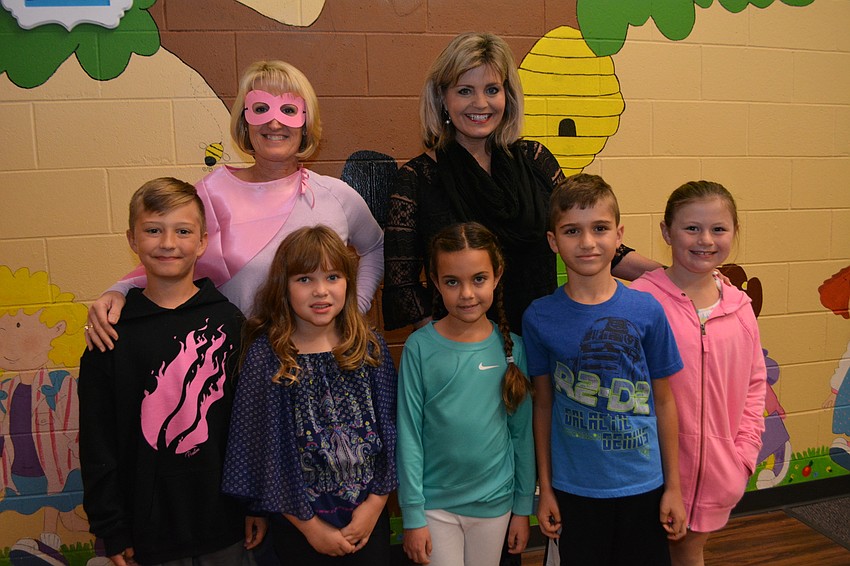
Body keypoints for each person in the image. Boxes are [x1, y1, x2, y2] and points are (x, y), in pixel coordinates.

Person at [85, 60, 384, 351]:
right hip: (234, 365)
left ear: (306, 122)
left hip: (320, 363)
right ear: (244, 120)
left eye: (289, 110)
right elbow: (167, 251)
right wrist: (118, 290)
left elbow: (375, 247)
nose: (274, 121)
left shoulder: (336, 196)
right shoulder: (210, 194)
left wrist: (354, 311)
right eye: (261, 108)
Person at [383, 31, 659, 334]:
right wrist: (448, 346)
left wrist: (673, 274)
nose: (480, 103)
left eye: (492, 89)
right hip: (467, 357)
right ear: (442, 98)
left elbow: (585, 239)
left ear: (507, 96)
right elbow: (402, 284)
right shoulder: (415, 181)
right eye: (464, 91)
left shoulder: (536, 160)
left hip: (543, 342)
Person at [78, 178, 263, 565]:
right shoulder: (110, 334)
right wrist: (111, 527)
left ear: (202, 242)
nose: (167, 243)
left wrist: (255, 504)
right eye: (153, 230)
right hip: (147, 534)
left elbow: (248, 428)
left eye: (182, 231)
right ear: (132, 239)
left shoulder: (229, 322)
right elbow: (98, 440)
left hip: (224, 526)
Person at [522, 174, 687, 566]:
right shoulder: (539, 316)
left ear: (618, 236)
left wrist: (673, 488)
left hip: (644, 485)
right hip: (574, 490)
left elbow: (664, 402)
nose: (587, 242)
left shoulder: (647, 310)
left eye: (599, 228)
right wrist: (545, 488)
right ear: (553, 241)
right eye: (571, 231)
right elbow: (542, 406)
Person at [221, 225, 397, 565]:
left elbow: (392, 430)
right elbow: (259, 451)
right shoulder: (267, 356)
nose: (321, 291)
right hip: (298, 525)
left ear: (348, 281)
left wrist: (375, 505)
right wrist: (310, 527)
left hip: (367, 520)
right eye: (304, 279)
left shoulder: (369, 348)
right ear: (283, 287)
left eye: (332, 277)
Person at [631, 181, 767, 566]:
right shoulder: (641, 301)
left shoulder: (740, 308)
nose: (705, 240)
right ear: (666, 232)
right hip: (649, 475)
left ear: (733, 233)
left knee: (690, 551)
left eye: (718, 229)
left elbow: (755, 384)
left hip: (718, 476)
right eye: (691, 228)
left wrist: (742, 456)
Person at [397, 222, 535, 566]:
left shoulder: (512, 349)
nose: (467, 294)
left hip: (495, 505)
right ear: (435, 280)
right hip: (435, 507)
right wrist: (413, 514)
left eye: (478, 279)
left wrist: (522, 508)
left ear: (497, 275)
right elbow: (409, 435)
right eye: (452, 282)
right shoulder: (419, 348)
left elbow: (521, 436)